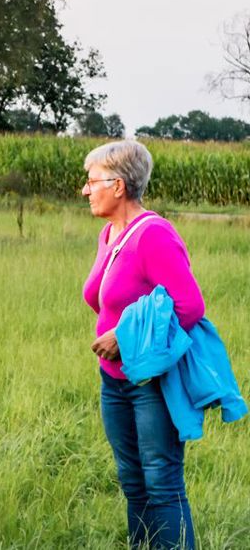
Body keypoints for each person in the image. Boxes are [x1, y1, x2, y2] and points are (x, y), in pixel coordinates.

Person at [81, 140, 202, 550]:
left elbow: (190, 306)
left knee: (162, 484)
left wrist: (126, 336)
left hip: (151, 384)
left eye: (93, 181)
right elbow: (108, 298)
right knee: (133, 483)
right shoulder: (109, 234)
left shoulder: (154, 235)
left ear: (118, 186)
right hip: (113, 380)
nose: (85, 189)